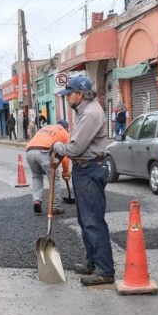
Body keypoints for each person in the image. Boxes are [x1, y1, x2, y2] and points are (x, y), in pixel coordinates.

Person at [52, 75, 115, 286]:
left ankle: (104, 271)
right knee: (85, 220)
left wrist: (56, 147)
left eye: (69, 94)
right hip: (84, 170)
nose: (67, 98)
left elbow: (74, 148)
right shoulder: (83, 111)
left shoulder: (90, 114)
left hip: (90, 169)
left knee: (93, 221)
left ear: (80, 93)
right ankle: (93, 263)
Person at [25, 120, 71, 215]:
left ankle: (37, 200)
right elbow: (66, 155)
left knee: (37, 177)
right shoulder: (65, 133)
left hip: (29, 151)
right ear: (66, 128)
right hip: (44, 151)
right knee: (54, 179)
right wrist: (66, 172)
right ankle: (55, 206)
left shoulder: (46, 127)